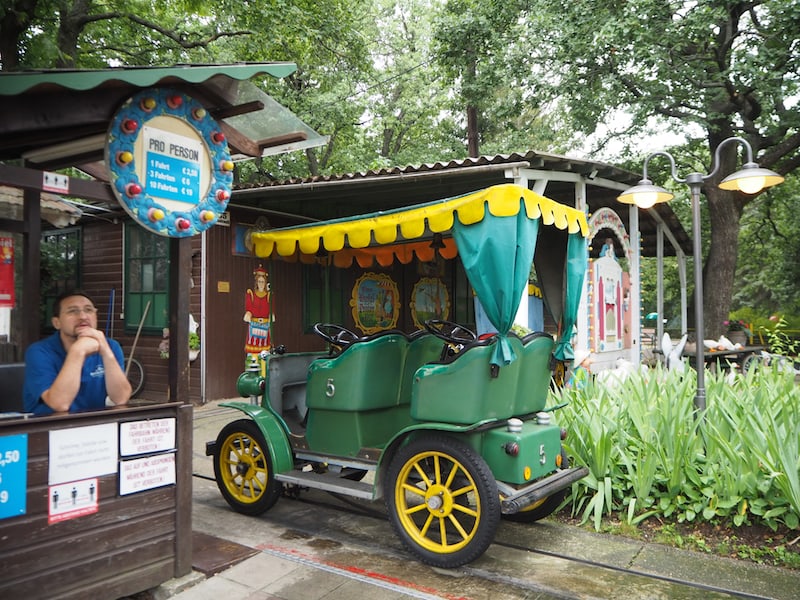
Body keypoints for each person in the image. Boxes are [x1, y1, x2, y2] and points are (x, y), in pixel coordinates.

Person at [23, 290, 131, 416]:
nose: (83, 316)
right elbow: (60, 404)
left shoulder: (111, 346)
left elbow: (121, 399)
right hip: (49, 429)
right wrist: (77, 352)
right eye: (73, 311)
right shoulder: (38, 352)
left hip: (96, 426)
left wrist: (106, 352)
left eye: (89, 310)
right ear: (57, 323)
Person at [243, 265, 272, 357]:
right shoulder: (250, 294)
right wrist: (248, 313)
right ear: (256, 282)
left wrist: (272, 316)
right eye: (259, 281)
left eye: (263, 282)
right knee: (252, 353)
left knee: (264, 353)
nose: (261, 284)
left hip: (265, 325)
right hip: (254, 325)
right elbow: (249, 307)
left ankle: (263, 369)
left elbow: (271, 310)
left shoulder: (269, 295)